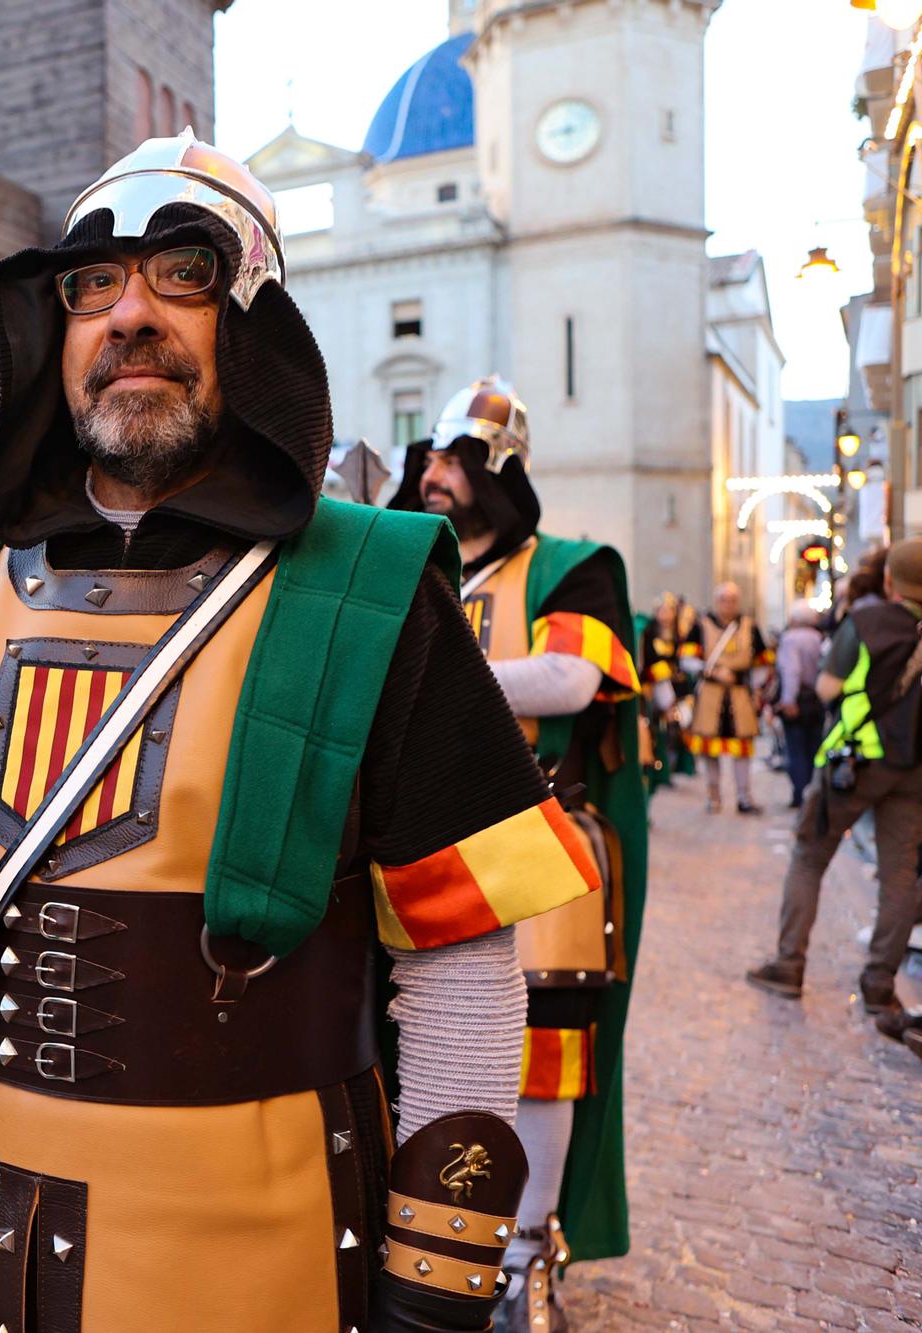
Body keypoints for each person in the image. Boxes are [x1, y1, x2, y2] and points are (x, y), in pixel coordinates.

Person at [0, 133, 600, 1329]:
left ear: (252, 321)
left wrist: (428, 1287)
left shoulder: (369, 589)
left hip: (255, 1238)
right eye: (91, 284)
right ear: (49, 331)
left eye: (179, 273)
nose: (129, 314)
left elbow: (461, 963)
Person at [389, 375, 649, 1330]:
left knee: (545, 1055)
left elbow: (572, 679)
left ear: (498, 474)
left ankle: (524, 1258)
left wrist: (438, 673)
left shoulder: (573, 565)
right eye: (433, 461)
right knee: (392, 1039)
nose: (437, 477)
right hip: (415, 835)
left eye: (457, 463)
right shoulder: (413, 564)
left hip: (539, 841)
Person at [747, 538, 922, 1016]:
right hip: (914, 772)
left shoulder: (867, 622)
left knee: (809, 857)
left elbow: (826, 687)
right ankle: (879, 982)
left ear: (889, 580)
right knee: (900, 877)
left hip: (856, 762)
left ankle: (789, 964)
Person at [688, 581, 770, 814]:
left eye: (733, 600)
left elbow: (762, 663)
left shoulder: (749, 626)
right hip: (711, 695)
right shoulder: (702, 625)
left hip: (739, 694)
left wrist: (754, 687)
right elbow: (687, 659)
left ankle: (744, 797)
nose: (728, 605)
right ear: (717, 601)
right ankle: (713, 796)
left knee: (743, 747)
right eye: (724, 600)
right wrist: (712, 672)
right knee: (709, 750)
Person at [639, 593, 699, 790]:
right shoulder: (649, 632)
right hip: (653, 688)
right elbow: (648, 660)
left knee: (675, 727)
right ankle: (657, 769)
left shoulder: (677, 634)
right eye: (662, 610)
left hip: (674, 687)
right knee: (656, 727)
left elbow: (679, 662)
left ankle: (670, 767)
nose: (665, 614)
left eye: (669, 610)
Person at [774, 600, 828, 810]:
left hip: (799, 698)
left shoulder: (790, 639)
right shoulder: (818, 638)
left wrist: (788, 699)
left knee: (795, 749)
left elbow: (791, 671)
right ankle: (814, 792)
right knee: (814, 747)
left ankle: (801, 793)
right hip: (817, 698)